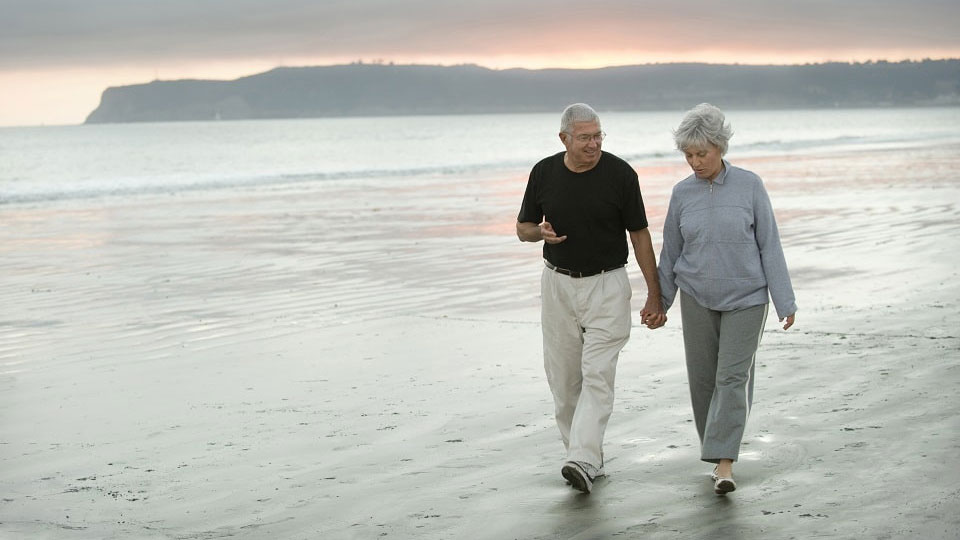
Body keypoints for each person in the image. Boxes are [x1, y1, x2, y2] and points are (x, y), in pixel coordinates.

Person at [516, 103, 666, 494]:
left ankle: (581, 458)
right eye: (585, 137)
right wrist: (539, 234)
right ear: (564, 138)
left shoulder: (620, 174)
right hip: (558, 286)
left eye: (598, 136)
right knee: (564, 381)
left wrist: (655, 293)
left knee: (597, 374)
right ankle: (584, 459)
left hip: (608, 286)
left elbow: (640, 234)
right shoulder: (544, 172)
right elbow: (523, 228)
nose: (593, 144)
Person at [657, 103, 797, 495]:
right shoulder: (681, 193)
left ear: (720, 147)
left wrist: (784, 300)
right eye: (688, 155)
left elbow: (769, 244)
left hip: (748, 298)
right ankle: (716, 450)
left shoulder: (750, 186)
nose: (695, 162)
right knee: (703, 382)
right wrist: (660, 302)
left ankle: (724, 463)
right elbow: (671, 252)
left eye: (702, 153)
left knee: (732, 379)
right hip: (697, 296)